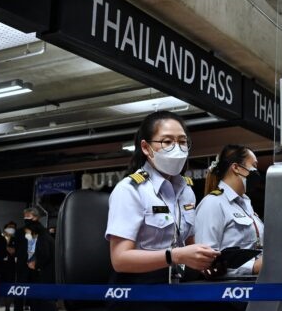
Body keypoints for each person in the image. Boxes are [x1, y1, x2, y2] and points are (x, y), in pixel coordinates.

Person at [105, 110, 220, 311]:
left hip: (177, 285)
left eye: (183, 142)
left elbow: (190, 246)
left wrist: (206, 260)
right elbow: (120, 260)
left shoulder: (186, 191)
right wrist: (175, 256)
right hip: (138, 291)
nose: (177, 148)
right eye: (167, 142)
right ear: (146, 148)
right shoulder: (130, 190)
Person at [194, 144, 264, 311]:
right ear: (236, 168)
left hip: (254, 291)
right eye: (253, 166)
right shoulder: (213, 203)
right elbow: (206, 264)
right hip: (224, 299)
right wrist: (253, 267)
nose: (257, 171)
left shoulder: (246, 204)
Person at [14, 207, 42, 311]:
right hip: (22, 266)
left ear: (36, 217)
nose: (26, 218)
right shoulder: (19, 232)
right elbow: (17, 248)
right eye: (25, 216)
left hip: (37, 266)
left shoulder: (41, 232)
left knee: (34, 291)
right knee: (20, 290)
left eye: (28, 216)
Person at [24, 221, 56, 311]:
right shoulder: (45, 237)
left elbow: (45, 255)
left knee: (45, 300)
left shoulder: (42, 238)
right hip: (48, 273)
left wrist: (35, 265)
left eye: (27, 232)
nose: (26, 234)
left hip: (46, 273)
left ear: (33, 230)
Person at [2, 221, 17, 311]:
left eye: (13, 227)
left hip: (11, 267)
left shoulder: (15, 239)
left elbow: (13, 251)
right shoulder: (0, 238)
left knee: (10, 287)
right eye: (10, 227)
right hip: (0, 267)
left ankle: (7, 307)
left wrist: (5, 246)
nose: (11, 229)